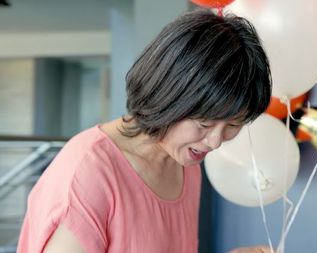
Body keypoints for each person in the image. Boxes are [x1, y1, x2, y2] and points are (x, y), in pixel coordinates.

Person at [17, 9, 273, 253]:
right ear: (168, 95)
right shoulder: (87, 175)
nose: (215, 141)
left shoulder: (184, 162)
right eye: (204, 124)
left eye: (233, 125)